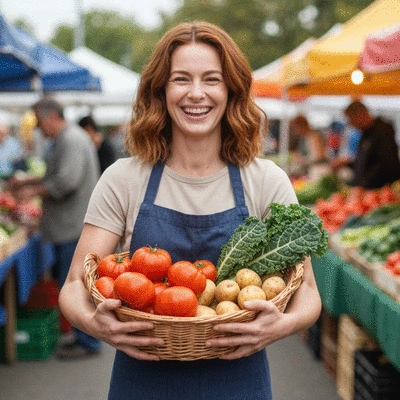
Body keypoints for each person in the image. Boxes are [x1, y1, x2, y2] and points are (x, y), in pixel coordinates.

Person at [58, 21, 322, 399]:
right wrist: (96, 324)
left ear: (230, 90)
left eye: (211, 79)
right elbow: (72, 287)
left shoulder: (265, 180)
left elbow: (309, 293)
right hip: (143, 380)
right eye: (181, 79)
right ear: (161, 90)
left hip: (239, 381)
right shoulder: (124, 179)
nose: (196, 94)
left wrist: (282, 324)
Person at [7, 97, 102, 358]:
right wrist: (30, 182)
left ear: (50, 116)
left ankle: (88, 342)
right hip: (68, 226)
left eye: (39, 122)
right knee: (74, 284)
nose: (38, 129)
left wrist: (32, 190)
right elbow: (57, 176)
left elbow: (65, 181)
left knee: (75, 285)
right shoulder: (67, 139)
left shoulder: (70, 140)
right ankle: (82, 337)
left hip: (72, 227)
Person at [343, 100, 400, 189]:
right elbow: (366, 163)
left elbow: (386, 164)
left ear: (361, 115)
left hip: (378, 191)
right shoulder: (365, 133)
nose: (351, 124)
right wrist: (347, 164)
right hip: (364, 191)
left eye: (351, 119)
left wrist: (364, 184)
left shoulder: (382, 132)